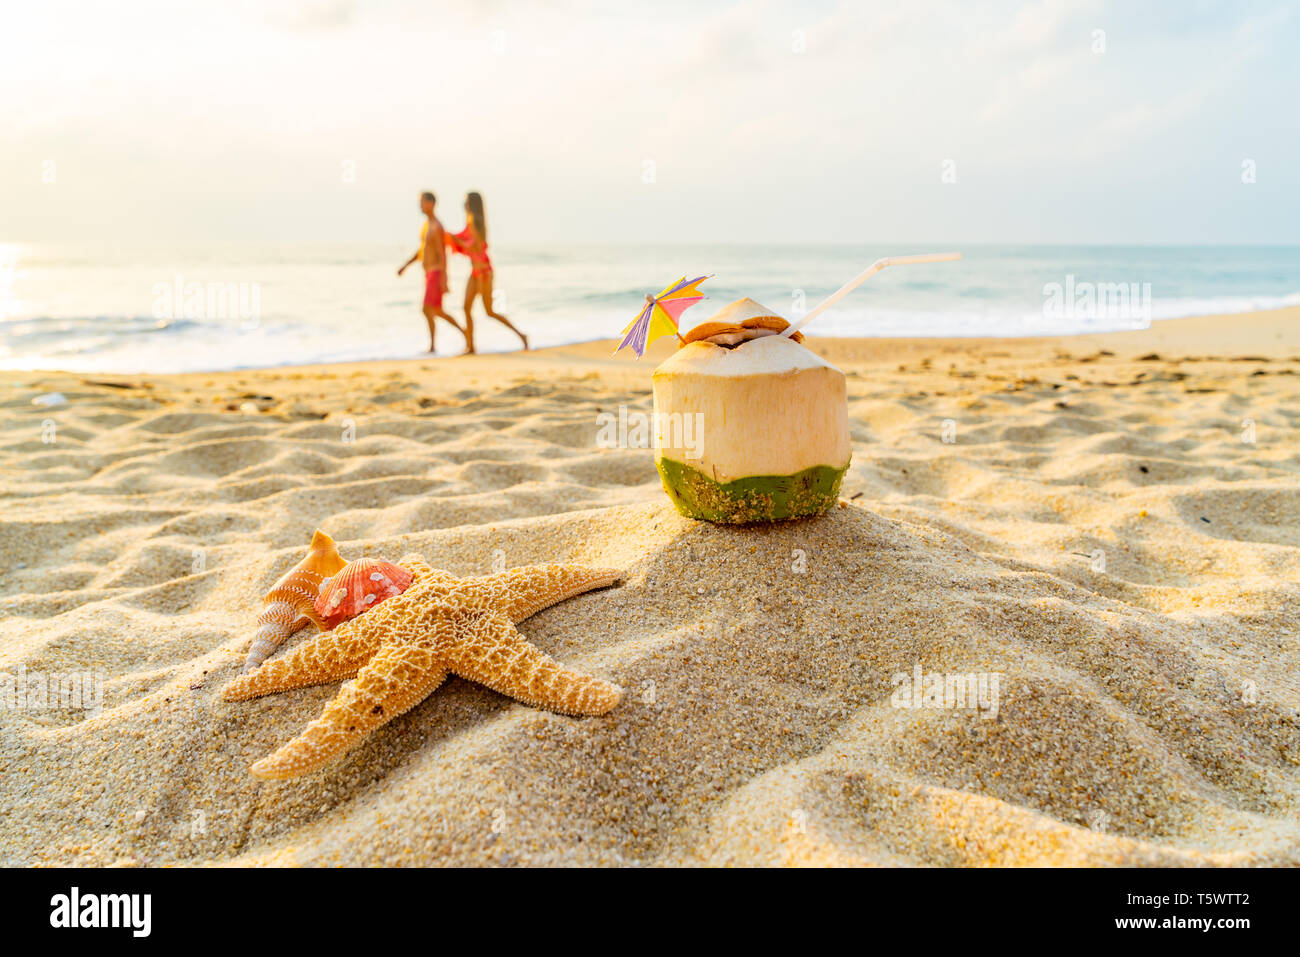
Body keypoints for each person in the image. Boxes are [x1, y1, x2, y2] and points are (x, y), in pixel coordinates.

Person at [447, 191, 527, 353]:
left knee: (489, 311)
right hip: (475, 271)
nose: (464, 205)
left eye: (466, 202)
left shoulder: (476, 222)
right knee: (466, 307)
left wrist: (454, 240)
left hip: (484, 272)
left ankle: (521, 335)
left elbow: (473, 247)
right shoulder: (471, 221)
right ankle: (471, 345)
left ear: (471, 204)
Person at [397, 191, 466, 353]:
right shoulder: (426, 226)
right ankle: (453, 336)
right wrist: (406, 265)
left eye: (422, 202)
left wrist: (444, 279)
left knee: (429, 309)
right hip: (428, 273)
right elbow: (422, 251)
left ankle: (446, 339)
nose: (420, 206)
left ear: (431, 203)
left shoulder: (437, 226)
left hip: (436, 272)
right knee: (435, 310)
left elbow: (443, 254)